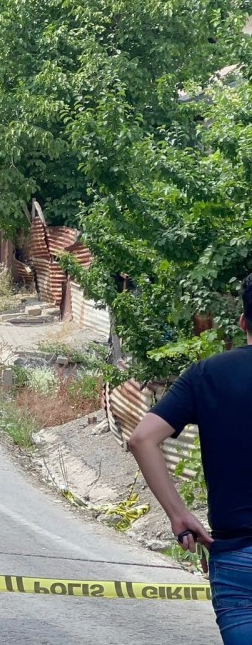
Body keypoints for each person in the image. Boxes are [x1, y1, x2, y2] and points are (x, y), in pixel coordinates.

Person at [128, 273, 252, 644]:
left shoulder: (206, 374)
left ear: (243, 322)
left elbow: (142, 439)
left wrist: (178, 514)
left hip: (236, 558)